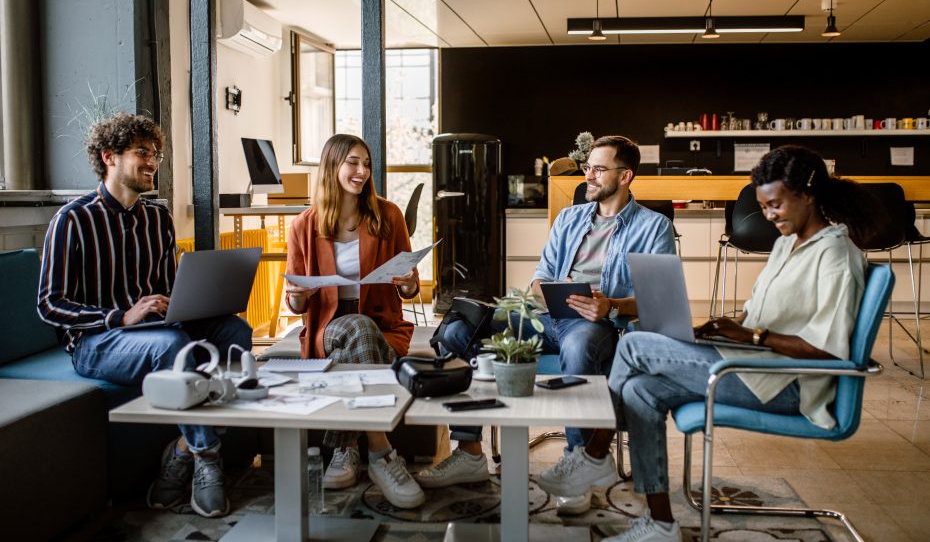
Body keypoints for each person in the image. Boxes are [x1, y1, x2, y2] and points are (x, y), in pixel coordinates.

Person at [535, 145, 882, 541]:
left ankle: (594, 455)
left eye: (777, 206)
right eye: (764, 207)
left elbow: (830, 351)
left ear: (808, 195)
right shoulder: (790, 242)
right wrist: (726, 328)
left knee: (635, 345)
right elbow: (768, 319)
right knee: (639, 388)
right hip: (752, 363)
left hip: (788, 383)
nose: (769, 217)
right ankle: (661, 523)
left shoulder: (835, 254)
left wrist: (751, 335)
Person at [416, 135, 677, 512]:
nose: (588, 175)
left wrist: (611, 305)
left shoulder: (653, 228)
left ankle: (579, 463)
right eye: (588, 167)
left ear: (625, 176)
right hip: (544, 315)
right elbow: (540, 277)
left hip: (594, 323)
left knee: (578, 345)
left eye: (598, 169)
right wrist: (544, 292)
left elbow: (659, 301)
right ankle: (470, 451)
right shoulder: (569, 219)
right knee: (460, 329)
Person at [37, 112, 253, 518]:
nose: (153, 162)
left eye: (156, 154)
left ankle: (183, 449)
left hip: (156, 327)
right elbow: (49, 304)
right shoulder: (72, 220)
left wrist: (183, 301)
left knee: (235, 330)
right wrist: (120, 316)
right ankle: (207, 457)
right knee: (175, 346)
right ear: (109, 156)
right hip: (97, 341)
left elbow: (169, 287)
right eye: (142, 152)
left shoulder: (158, 218)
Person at [285, 133, 425, 509]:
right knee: (356, 328)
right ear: (332, 166)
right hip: (327, 327)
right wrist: (296, 298)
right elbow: (296, 301)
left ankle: (345, 448)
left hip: (381, 326)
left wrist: (410, 284)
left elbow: (407, 290)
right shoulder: (304, 225)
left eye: (366, 163)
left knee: (362, 332)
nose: (362, 171)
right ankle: (382, 453)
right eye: (352, 162)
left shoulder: (388, 215)